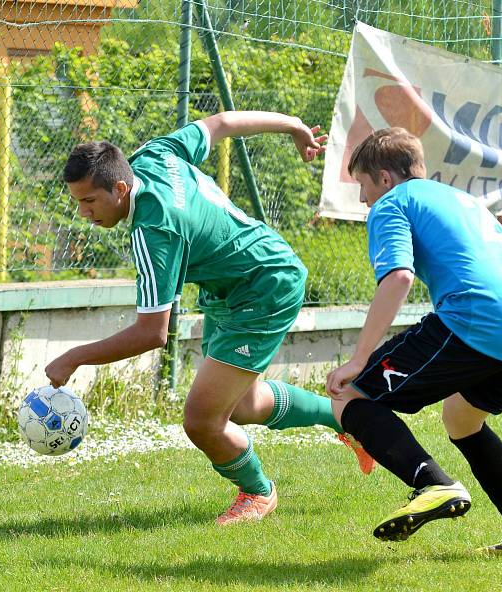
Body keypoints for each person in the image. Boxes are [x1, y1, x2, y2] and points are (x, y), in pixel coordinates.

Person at [45, 111, 374, 525]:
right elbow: (220, 123)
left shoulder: (154, 230)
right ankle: (351, 418)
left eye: (89, 201)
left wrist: (74, 356)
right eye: (77, 202)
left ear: (120, 187)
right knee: (243, 404)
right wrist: (292, 124)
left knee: (202, 420)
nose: (83, 214)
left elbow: (153, 332)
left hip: (264, 284)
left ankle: (257, 492)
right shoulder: (154, 154)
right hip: (235, 283)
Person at [325, 127, 502, 555]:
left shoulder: (392, 203)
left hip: (475, 319)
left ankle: (433, 484)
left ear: (384, 177)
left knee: (349, 396)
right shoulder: (465, 203)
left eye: (362, 186)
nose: (364, 200)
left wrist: (359, 359)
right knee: (462, 420)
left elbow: (398, 276)